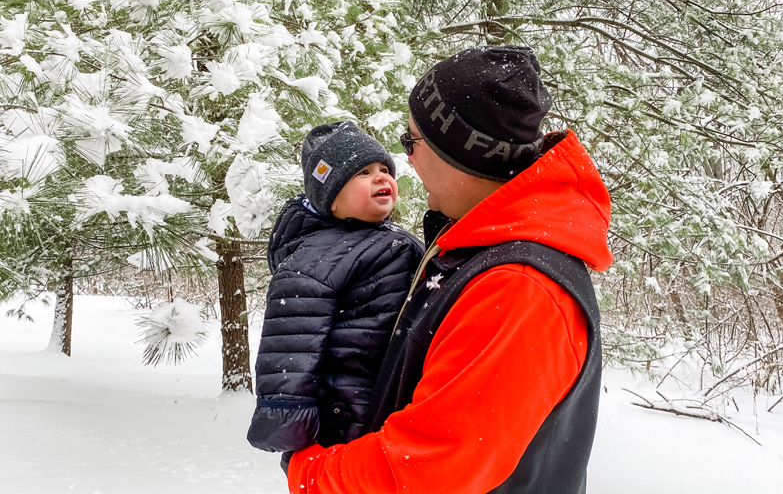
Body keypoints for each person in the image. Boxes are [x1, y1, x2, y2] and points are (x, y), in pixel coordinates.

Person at [285, 47, 614, 494]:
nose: (407, 160)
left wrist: (309, 473)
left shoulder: (518, 288)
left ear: (461, 154)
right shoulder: (476, 245)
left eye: (412, 142)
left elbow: (425, 469)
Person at [247, 121, 423, 460]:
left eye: (384, 169)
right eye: (363, 173)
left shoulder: (394, 239)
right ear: (331, 200)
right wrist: (287, 417)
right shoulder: (317, 257)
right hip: (347, 412)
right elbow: (292, 340)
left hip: (393, 394)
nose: (380, 178)